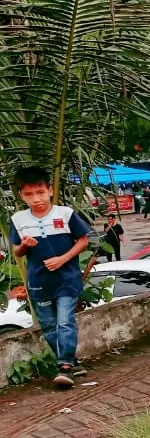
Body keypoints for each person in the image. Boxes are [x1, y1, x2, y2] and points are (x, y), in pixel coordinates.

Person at [9, 166, 92, 387]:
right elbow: (16, 251)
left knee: (65, 321)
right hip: (39, 282)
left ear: (50, 190)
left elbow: (83, 241)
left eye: (40, 192)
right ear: (21, 195)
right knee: (48, 326)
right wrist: (25, 246)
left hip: (67, 279)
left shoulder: (65, 214)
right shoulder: (18, 219)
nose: (36, 199)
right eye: (29, 194)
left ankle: (64, 367)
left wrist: (62, 259)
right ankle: (71, 361)